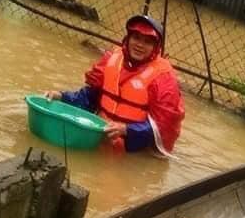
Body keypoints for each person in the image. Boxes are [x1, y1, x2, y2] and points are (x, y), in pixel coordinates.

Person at [45, 14, 184, 156]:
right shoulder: (111, 60)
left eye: (147, 41)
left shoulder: (163, 78)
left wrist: (127, 130)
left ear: (155, 47)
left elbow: (162, 128)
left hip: (133, 152)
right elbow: (88, 98)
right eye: (136, 38)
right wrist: (61, 96)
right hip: (98, 136)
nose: (139, 45)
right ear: (128, 38)